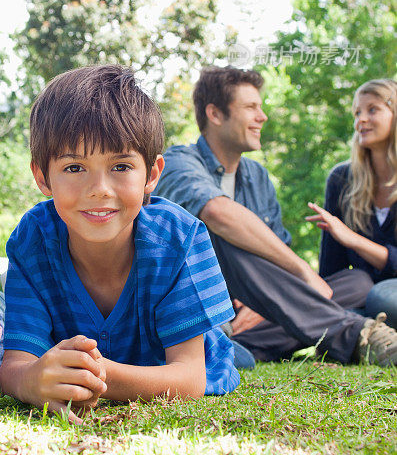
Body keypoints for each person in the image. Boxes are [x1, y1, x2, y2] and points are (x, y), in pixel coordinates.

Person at [0, 65, 239, 424]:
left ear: (152, 175)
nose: (100, 190)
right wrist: (33, 382)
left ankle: (224, 332)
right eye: (75, 168)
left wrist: (94, 375)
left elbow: (189, 378)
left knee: (231, 351)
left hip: (196, 355)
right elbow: (15, 365)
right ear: (42, 177)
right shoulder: (32, 240)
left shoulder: (179, 238)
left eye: (121, 167)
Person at [154, 65, 397, 366]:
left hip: (256, 308)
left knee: (358, 282)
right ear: (215, 114)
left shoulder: (257, 176)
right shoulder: (178, 162)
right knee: (225, 231)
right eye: (251, 107)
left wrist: (266, 302)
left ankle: (240, 345)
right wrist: (302, 271)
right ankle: (355, 333)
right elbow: (218, 213)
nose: (262, 116)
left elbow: (275, 255)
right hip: (202, 304)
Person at [307, 78, 397, 329]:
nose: (361, 120)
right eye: (357, 112)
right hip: (359, 296)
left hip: (388, 298)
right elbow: (332, 274)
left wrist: (354, 239)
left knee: (382, 299)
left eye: (372, 109)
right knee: (350, 291)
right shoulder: (341, 179)